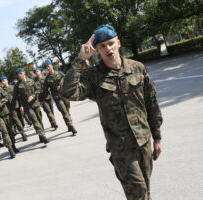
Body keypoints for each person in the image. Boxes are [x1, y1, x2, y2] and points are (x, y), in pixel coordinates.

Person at [60, 24, 163, 200]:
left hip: (143, 141)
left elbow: (151, 103)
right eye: (102, 46)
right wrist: (80, 59)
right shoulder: (93, 76)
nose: (108, 48)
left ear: (118, 43)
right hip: (121, 149)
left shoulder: (137, 68)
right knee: (138, 194)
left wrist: (157, 137)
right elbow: (68, 93)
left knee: (145, 190)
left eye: (111, 43)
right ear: (97, 50)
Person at [11, 68, 50, 144]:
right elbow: (15, 97)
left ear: (24, 73)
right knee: (35, 120)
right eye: (18, 74)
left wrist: (33, 96)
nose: (20, 75)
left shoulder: (32, 80)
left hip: (36, 103)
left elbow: (38, 90)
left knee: (39, 120)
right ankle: (43, 135)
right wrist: (14, 108)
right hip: (27, 106)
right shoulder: (17, 85)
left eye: (21, 73)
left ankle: (41, 136)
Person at [42, 61, 77, 135]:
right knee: (64, 111)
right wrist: (41, 100)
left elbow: (66, 79)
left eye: (49, 66)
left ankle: (69, 125)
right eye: (46, 67)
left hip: (65, 94)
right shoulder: (47, 79)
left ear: (51, 66)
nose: (48, 68)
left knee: (67, 110)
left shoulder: (59, 73)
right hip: (57, 97)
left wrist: (61, 84)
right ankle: (71, 125)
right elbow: (45, 91)